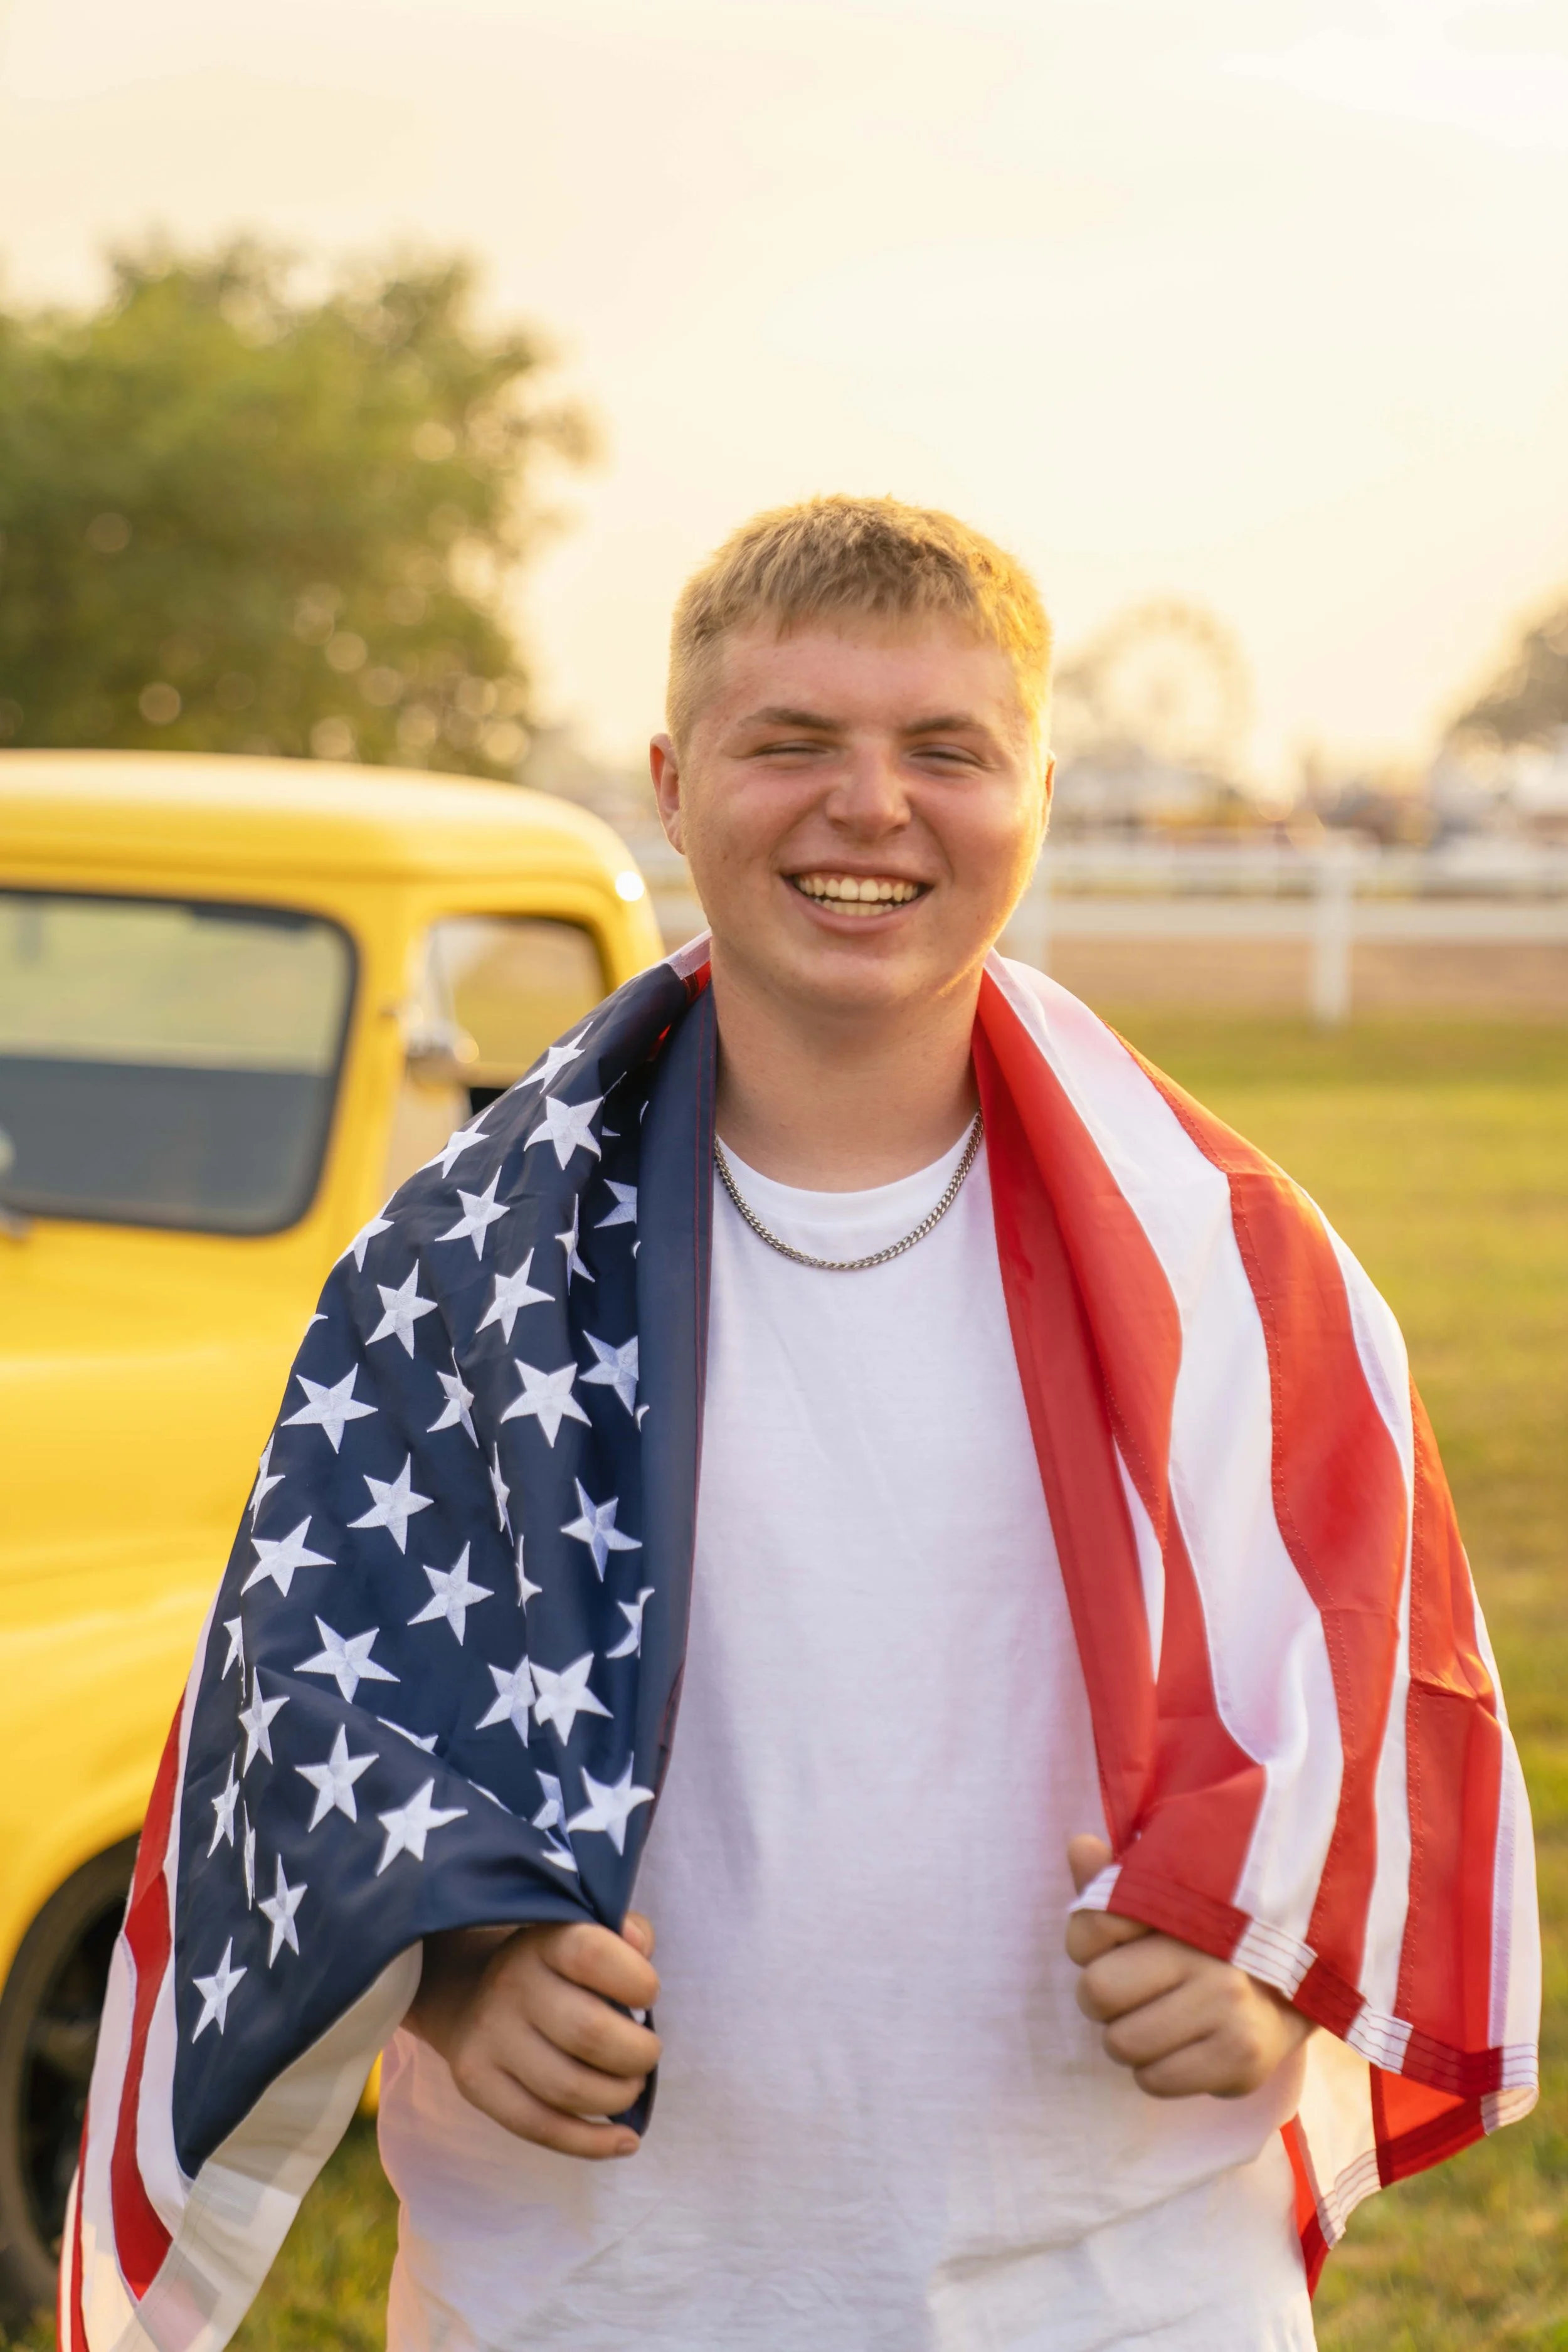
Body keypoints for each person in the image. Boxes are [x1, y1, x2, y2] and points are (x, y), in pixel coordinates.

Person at [68, 499, 1537, 2352]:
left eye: (946, 749)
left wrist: (1276, 1972)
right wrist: (447, 1965)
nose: (870, 805)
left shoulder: (1243, 1272)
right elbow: (304, 1708)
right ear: (674, 784)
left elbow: (1383, 1718)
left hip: (1106, 2280)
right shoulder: (448, 1271)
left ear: (1039, 792)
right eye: (791, 743)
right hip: (592, 2285)